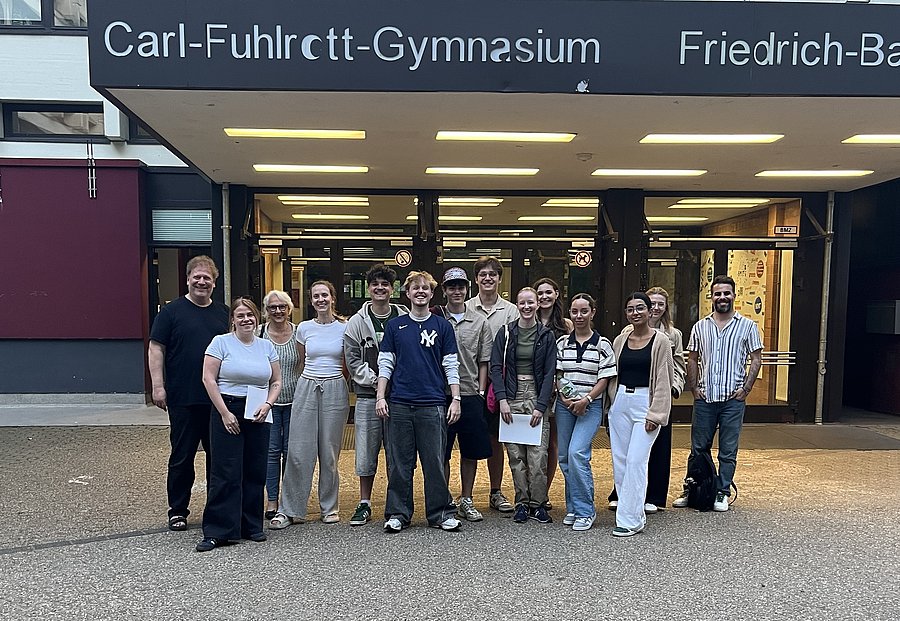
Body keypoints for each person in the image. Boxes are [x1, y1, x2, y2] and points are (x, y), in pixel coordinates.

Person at [148, 255, 229, 532]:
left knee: (217, 458)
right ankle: (178, 510)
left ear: (214, 282)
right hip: (183, 397)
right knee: (182, 456)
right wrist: (158, 386)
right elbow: (156, 348)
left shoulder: (223, 313)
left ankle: (216, 510)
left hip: (217, 399)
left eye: (207, 278)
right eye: (197, 277)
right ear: (187, 279)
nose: (201, 282)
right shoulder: (170, 313)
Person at [376, 271, 461, 533]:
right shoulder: (395, 326)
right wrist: (381, 396)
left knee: (434, 462)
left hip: (433, 404)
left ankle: (440, 513)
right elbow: (385, 363)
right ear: (407, 293)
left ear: (432, 293)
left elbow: (451, 365)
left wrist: (455, 398)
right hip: (400, 403)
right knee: (399, 463)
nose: (420, 292)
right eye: (415, 288)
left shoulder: (442, 327)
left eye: (425, 288)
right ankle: (398, 513)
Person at [196, 297, 281, 552]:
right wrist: (224, 413)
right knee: (226, 470)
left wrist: (268, 404)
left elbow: (276, 381)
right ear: (232, 319)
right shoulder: (220, 343)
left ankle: (251, 525)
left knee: (255, 469)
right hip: (228, 407)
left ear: (257, 317)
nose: (246, 319)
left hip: (258, 409)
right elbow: (208, 379)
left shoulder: (266, 346)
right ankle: (218, 530)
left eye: (250, 315)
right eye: (240, 315)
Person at [674, 275, 763, 512]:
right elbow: (692, 358)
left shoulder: (747, 326)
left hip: (733, 400)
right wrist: (694, 388)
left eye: (726, 293)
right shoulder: (700, 326)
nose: (722, 297)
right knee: (698, 449)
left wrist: (746, 389)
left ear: (734, 295)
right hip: (705, 399)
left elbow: (756, 358)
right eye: (718, 294)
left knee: (728, 450)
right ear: (711, 297)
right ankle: (693, 489)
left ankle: (722, 492)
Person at [270, 281, 349, 528]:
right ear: (311, 300)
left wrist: (335, 381)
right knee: (298, 451)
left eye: (325, 295)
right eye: (316, 296)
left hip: (334, 387)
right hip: (307, 386)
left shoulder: (345, 327)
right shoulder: (304, 328)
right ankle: (289, 509)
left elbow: (347, 363)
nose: (321, 299)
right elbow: (301, 361)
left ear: (332, 297)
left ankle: (329, 507)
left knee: (329, 452)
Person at [608, 286, 686, 512]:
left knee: (646, 456)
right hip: (624, 400)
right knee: (624, 457)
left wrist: (670, 392)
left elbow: (674, 368)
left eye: (660, 304)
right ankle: (626, 502)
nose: (636, 312)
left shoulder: (669, 336)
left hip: (654, 399)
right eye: (631, 309)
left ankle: (652, 498)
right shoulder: (623, 336)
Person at [343, 264, 409, 526]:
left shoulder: (404, 316)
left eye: (385, 284)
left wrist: (395, 382)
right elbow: (352, 360)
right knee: (366, 452)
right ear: (368, 289)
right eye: (375, 284)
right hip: (367, 397)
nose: (380, 288)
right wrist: (377, 382)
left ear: (393, 289)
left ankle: (396, 504)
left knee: (398, 453)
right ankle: (365, 503)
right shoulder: (356, 322)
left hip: (400, 398)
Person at [490, 287, 557, 524]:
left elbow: (550, 372)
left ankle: (538, 503)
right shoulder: (506, 333)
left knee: (538, 455)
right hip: (512, 395)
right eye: (522, 303)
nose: (527, 307)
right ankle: (521, 502)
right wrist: (502, 399)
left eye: (531, 302)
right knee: (516, 455)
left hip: (536, 395)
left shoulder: (546, 335)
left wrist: (541, 405)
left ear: (537, 304)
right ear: (516, 305)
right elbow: (495, 366)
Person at [434, 267, 494, 522]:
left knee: (470, 451)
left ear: (467, 289)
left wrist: (481, 391)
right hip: (441, 394)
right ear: (444, 290)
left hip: (470, 393)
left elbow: (484, 360)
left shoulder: (480, 322)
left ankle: (466, 499)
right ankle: (444, 499)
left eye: (460, 286)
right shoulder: (435, 319)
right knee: (442, 450)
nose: (456, 291)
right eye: (451, 287)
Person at [555, 294, 617, 531]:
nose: (579, 316)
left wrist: (587, 399)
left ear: (593, 312)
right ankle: (573, 506)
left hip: (590, 406)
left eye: (584, 311)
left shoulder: (603, 344)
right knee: (564, 457)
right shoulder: (562, 343)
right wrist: (564, 397)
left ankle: (585, 510)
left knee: (577, 453)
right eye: (574, 311)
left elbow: (605, 378)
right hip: (565, 406)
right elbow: (558, 374)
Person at [466, 256, 519, 514]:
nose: (488, 278)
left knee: (497, 438)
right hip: (469, 383)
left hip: (499, 384)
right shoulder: (465, 307)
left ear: (499, 278)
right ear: (476, 279)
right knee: (469, 439)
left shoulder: (511, 311)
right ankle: (466, 495)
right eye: (483, 274)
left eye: (493, 274)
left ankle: (496, 491)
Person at [259, 290, 301, 520]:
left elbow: (304, 363)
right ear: (266, 310)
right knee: (271, 452)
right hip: (268, 403)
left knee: (291, 452)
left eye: (282, 306)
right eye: (273, 307)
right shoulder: (259, 334)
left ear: (289, 309)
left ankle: (288, 501)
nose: (278, 311)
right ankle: (272, 500)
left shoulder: (299, 333)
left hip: (296, 401)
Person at [534, 277, 573, 507]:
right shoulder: (528, 319)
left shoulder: (566, 325)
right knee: (532, 444)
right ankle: (529, 491)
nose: (544, 297)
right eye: (540, 293)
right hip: (533, 390)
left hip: (558, 392)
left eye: (548, 292)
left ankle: (543, 493)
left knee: (552, 444)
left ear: (557, 294)